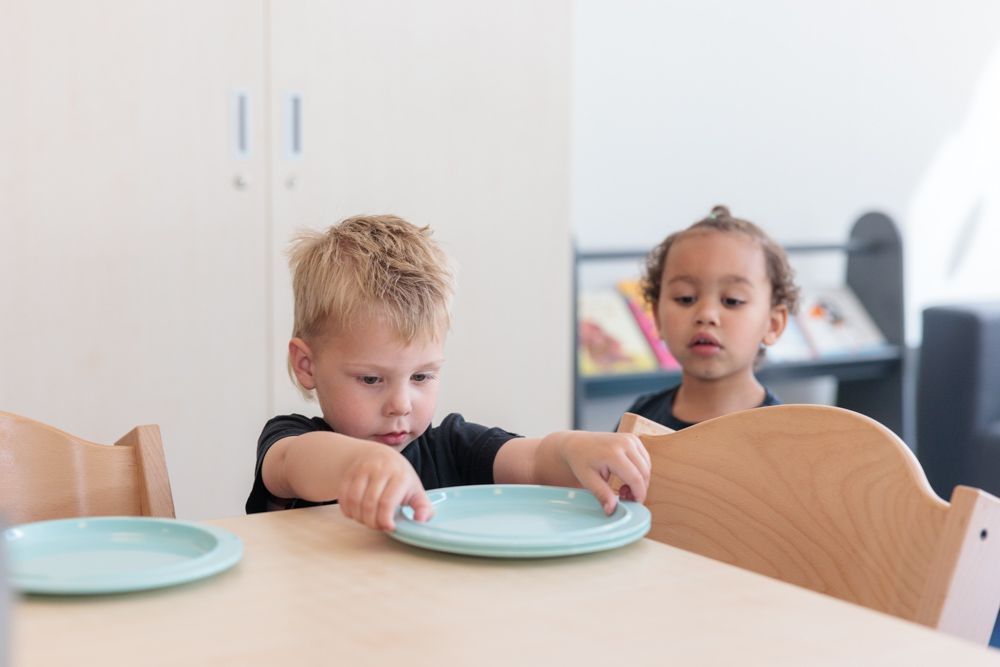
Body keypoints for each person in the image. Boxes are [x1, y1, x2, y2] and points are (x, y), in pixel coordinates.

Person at [246, 214, 650, 530]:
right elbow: (296, 465)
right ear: (306, 365)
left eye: (421, 377)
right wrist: (361, 465)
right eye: (371, 379)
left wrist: (571, 448)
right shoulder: (291, 439)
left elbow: (533, 462)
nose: (400, 404)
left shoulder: (451, 447)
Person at [622, 205, 799, 430]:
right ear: (657, 317)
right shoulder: (641, 418)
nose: (706, 315)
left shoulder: (785, 435)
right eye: (686, 298)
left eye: (732, 301)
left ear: (773, 324)